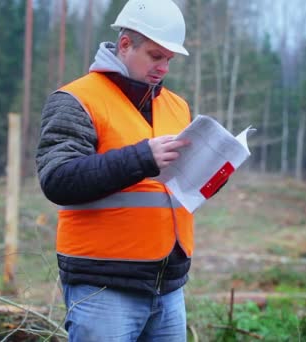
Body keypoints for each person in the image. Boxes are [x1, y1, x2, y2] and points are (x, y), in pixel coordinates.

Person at [36, 1, 214, 340]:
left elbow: (176, 188)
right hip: (103, 287)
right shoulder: (76, 99)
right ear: (125, 44)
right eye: (154, 55)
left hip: (168, 284)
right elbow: (58, 180)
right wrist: (142, 158)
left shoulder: (177, 106)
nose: (162, 67)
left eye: (169, 59)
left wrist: (212, 172)